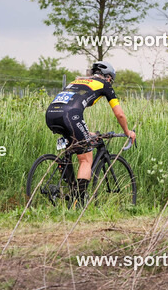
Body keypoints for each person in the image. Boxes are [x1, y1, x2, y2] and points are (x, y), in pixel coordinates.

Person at [45, 61, 136, 204]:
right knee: (86, 159)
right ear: (107, 77)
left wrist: (87, 133)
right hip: (71, 116)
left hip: (51, 114)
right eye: (111, 79)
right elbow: (120, 115)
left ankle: (67, 191)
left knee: (71, 149)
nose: (110, 82)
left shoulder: (77, 80)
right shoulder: (104, 84)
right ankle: (80, 202)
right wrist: (128, 131)